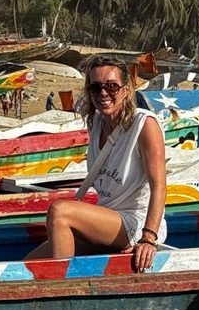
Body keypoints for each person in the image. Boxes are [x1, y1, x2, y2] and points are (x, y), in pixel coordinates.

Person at [26, 56, 167, 271]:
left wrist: (148, 238)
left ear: (126, 89)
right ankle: (61, 280)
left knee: (59, 211)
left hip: (135, 222)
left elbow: (160, 186)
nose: (103, 93)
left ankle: (63, 287)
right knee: (28, 265)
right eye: (95, 87)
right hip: (107, 219)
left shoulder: (143, 124)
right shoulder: (97, 123)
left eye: (111, 86)